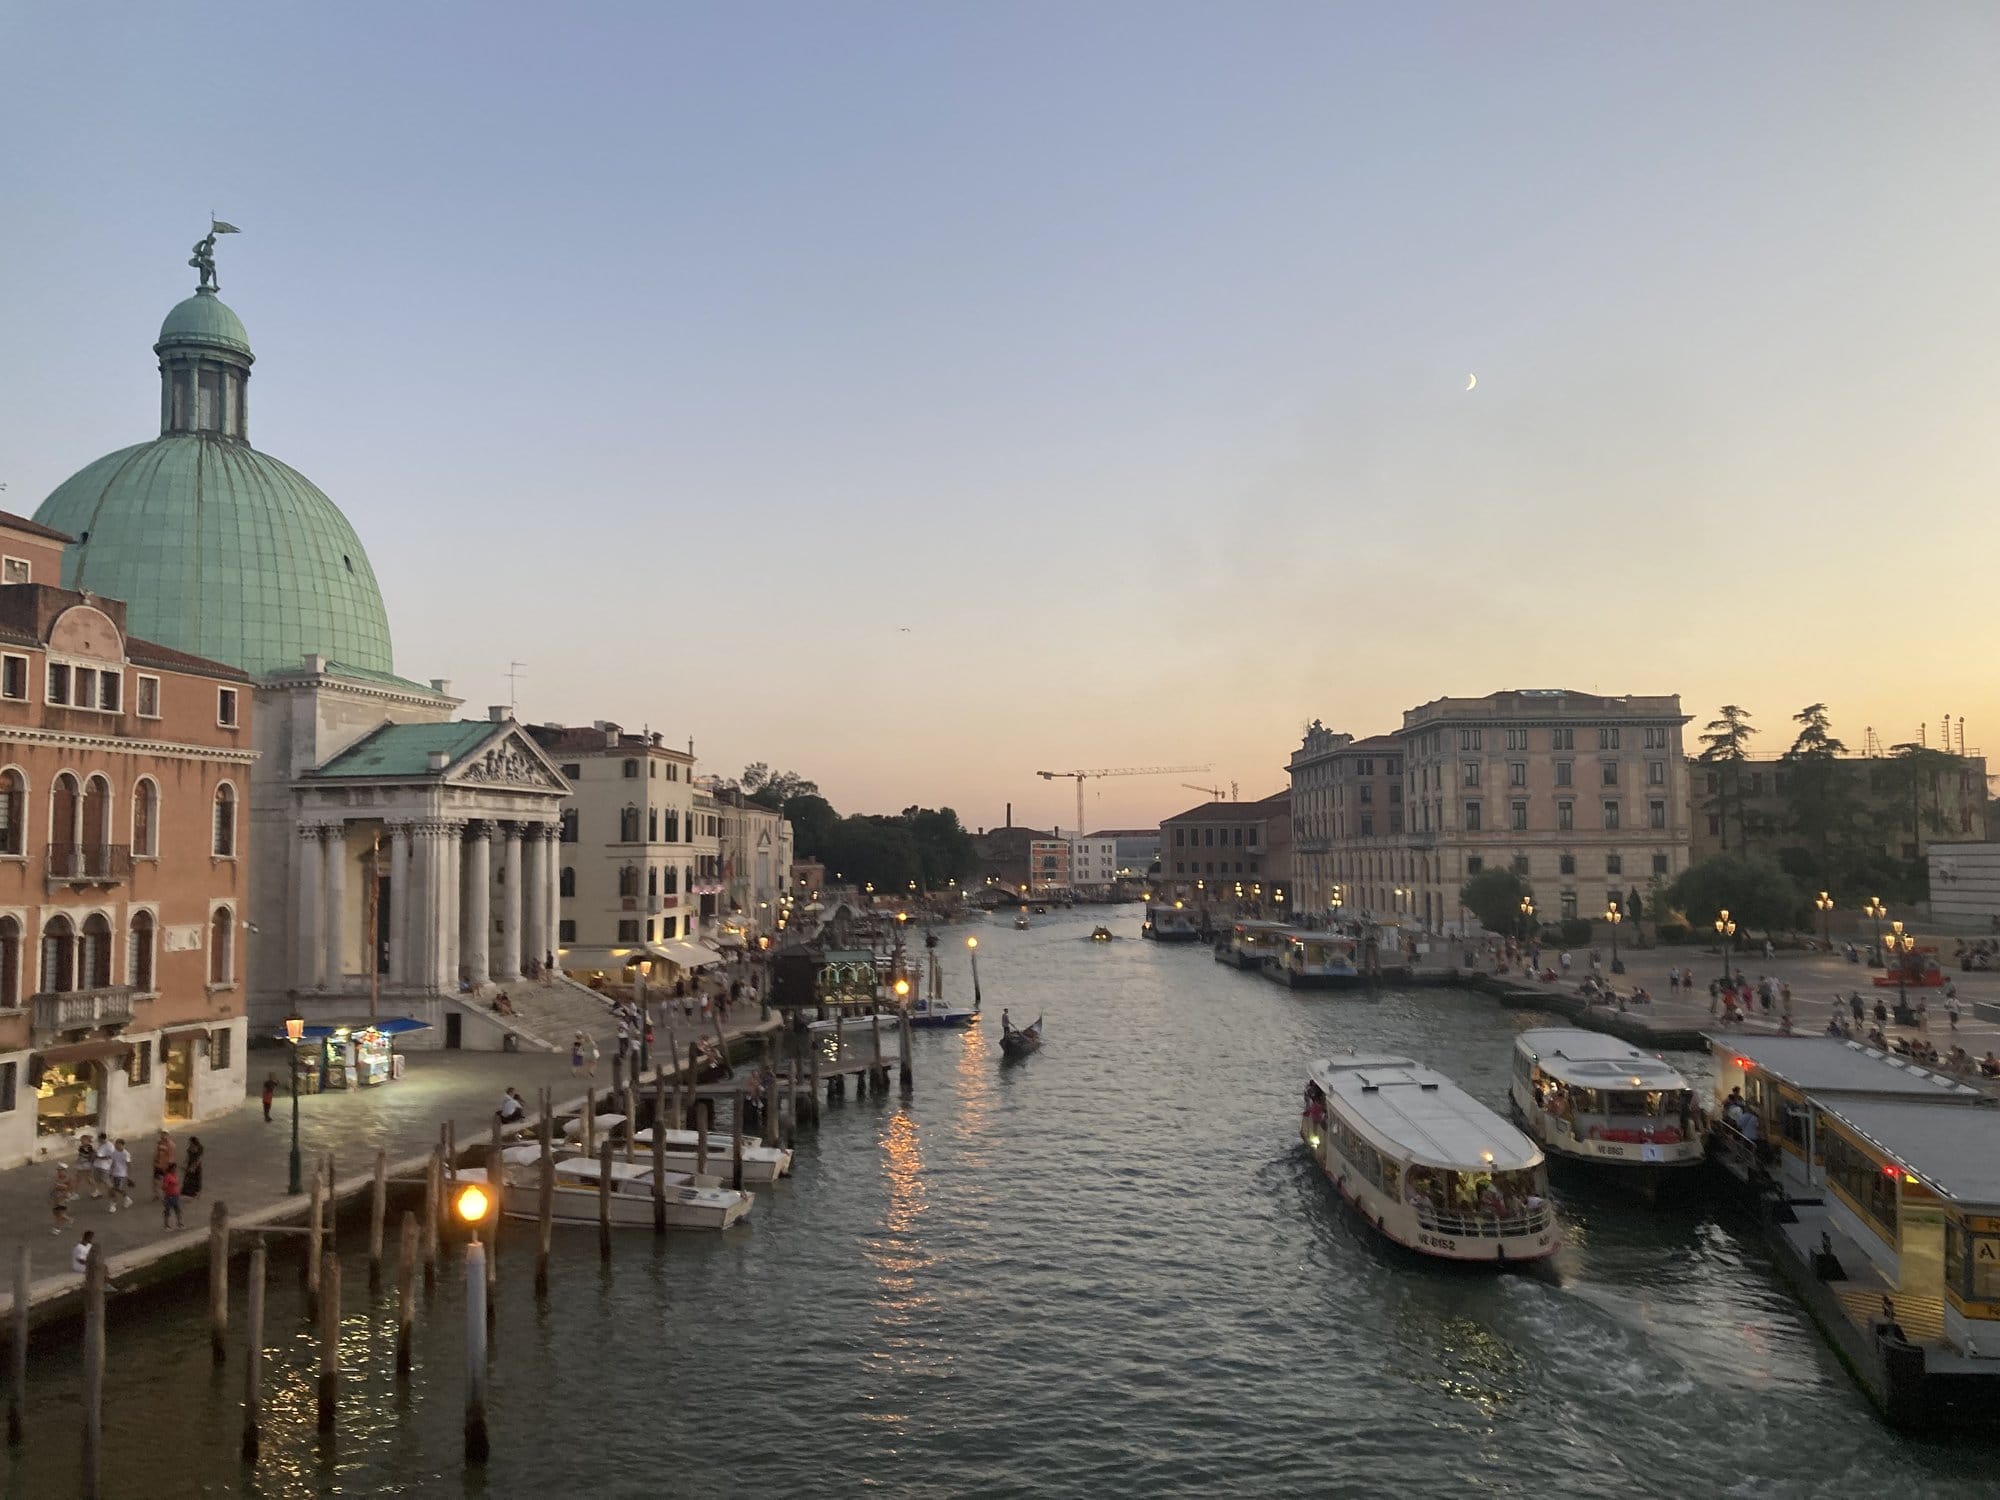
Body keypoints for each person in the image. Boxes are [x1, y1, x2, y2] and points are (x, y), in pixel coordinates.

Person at [50, 1165, 74, 1234]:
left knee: (59, 1215)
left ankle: (57, 1228)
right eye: (58, 1171)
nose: (59, 1172)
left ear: (64, 1171)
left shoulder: (68, 1178)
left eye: (60, 1171)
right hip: (56, 1197)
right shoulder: (57, 1178)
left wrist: (66, 1194)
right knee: (56, 1213)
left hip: (63, 1198)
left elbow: (70, 1188)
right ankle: (70, 1219)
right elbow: (54, 1187)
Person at [110, 1139, 132, 1211]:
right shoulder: (114, 1153)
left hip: (121, 1174)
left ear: (122, 1145)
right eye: (116, 1144)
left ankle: (113, 1205)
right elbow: (113, 1163)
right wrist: (110, 1172)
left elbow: (129, 1164)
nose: (116, 1145)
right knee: (118, 1189)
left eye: (118, 1144)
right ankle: (127, 1199)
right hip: (115, 1174)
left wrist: (128, 1176)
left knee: (115, 1189)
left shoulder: (126, 1154)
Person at [151, 1132, 174, 1201]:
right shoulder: (160, 1143)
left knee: (166, 1181)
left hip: (166, 1165)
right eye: (161, 1134)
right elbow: (157, 1153)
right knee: (155, 1181)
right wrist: (155, 1161)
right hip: (158, 1165)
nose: (162, 1136)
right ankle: (157, 1195)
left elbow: (171, 1156)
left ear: (167, 1135)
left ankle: (167, 1195)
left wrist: (168, 1165)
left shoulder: (170, 1144)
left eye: (164, 1134)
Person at [160, 1162, 184, 1230]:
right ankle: (166, 1225)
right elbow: (164, 1187)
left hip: (175, 1196)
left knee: (178, 1210)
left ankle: (179, 1224)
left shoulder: (174, 1175)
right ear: (171, 1169)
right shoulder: (168, 1177)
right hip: (169, 1196)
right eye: (174, 1168)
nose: (175, 1169)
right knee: (168, 1211)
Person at [92, 1135, 114, 1200]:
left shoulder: (110, 1146)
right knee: (97, 1180)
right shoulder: (99, 1144)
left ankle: (112, 1192)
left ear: (103, 1138)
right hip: (97, 1165)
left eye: (99, 1139)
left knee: (106, 1180)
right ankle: (98, 1191)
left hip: (104, 1166)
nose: (98, 1140)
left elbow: (111, 1156)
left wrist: (100, 1157)